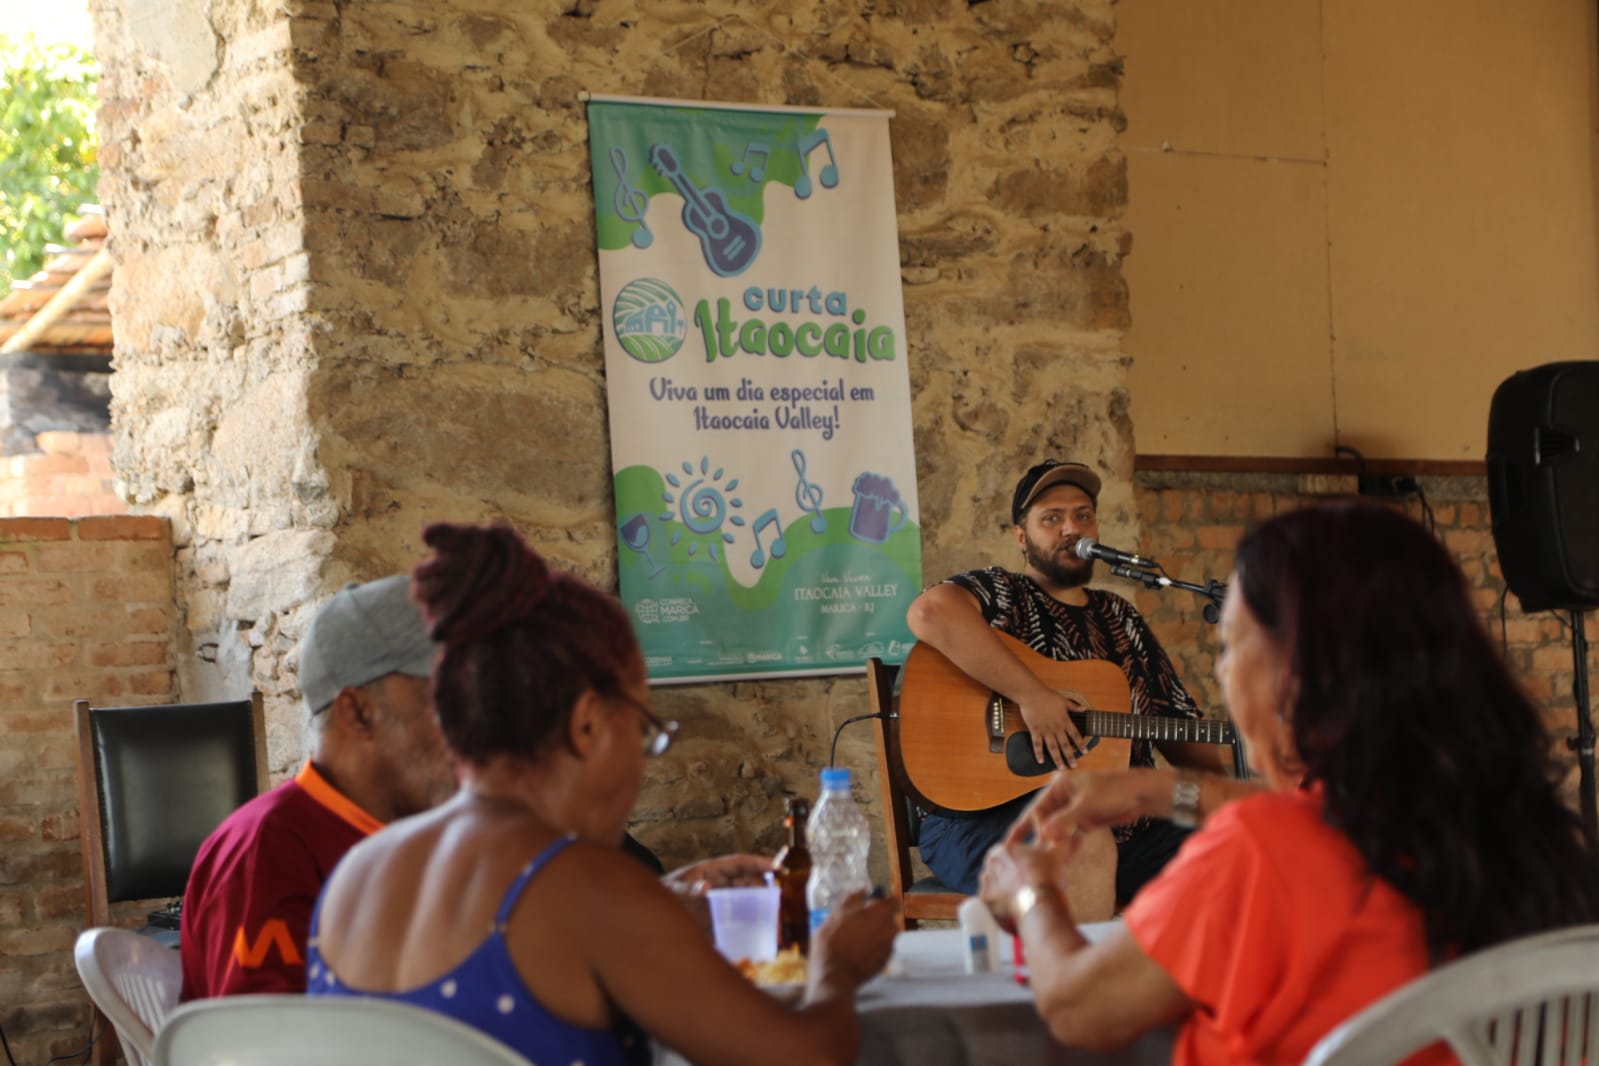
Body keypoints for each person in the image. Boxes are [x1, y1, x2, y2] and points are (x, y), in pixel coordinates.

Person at [981, 501, 1599, 1065]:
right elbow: (1337, 822)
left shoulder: (1262, 849)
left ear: (1298, 673)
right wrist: (1158, 790)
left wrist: (1032, 894)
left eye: (1228, 645)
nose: (1223, 673)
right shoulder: (1515, 826)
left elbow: (1082, 1011)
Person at [307, 523, 898, 1066]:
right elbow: (807, 1058)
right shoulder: (584, 884)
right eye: (643, 728)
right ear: (587, 723)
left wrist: (657, 908)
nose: (641, 758)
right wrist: (835, 968)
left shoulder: (356, 872)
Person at [905, 458, 1232, 904]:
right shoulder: (1003, 594)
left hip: (1124, 831)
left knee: (1236, 841)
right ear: (1022, 537)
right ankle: (1076, 974)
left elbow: (1180, 729)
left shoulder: (1122, 619)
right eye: (1051, 518)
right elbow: (930, 613)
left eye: (1083, 515)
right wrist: (1033, 697)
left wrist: (1235, 785)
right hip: (979, 820)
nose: (1070, 529)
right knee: (1080, 834)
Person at [180, 575, 458, 1000]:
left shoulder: (431, 834)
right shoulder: (265, 853)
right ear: (357, 712)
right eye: (442, 701)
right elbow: (262, 1048)